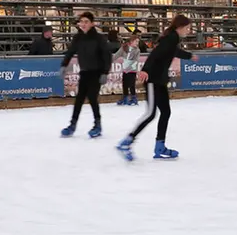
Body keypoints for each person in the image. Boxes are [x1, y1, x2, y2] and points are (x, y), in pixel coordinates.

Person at [116, 15, 197, 161]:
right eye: (187, 28)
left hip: (160, 81)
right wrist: (146, 70)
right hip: (153, 79)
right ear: (180, 27)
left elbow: (174, 52)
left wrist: (189, 56)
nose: (189, 30)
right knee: (151, 114)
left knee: (165, 112)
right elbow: (155, 54)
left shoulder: (172, 39)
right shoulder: (171, 38)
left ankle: (160, 146)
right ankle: (127, 142)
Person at [59, 12, 112, 139]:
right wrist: (64, 65)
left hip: (96, 72)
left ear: (92, 23)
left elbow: (107, 56)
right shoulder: (78, 38)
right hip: (84, 72)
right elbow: (70, 52)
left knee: (92, 98)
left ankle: (97, 125)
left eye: (86, 22)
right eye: (81, 21)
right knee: (79, 99)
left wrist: (105, 72)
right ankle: (72, 125)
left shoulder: (99, 38)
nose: (83, 24)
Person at [114, 35, 142, 106]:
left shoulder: (137, 50)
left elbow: (136, 60)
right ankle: (125, 97)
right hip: (125, 69)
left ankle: (134, 98)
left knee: (131, 84)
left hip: (132, 70)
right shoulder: (124, 48)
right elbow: (116, 55)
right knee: (125, 84)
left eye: (138, 42)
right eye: (136, 41)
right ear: (131, 41)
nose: (137, 43)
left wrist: (131, 66)